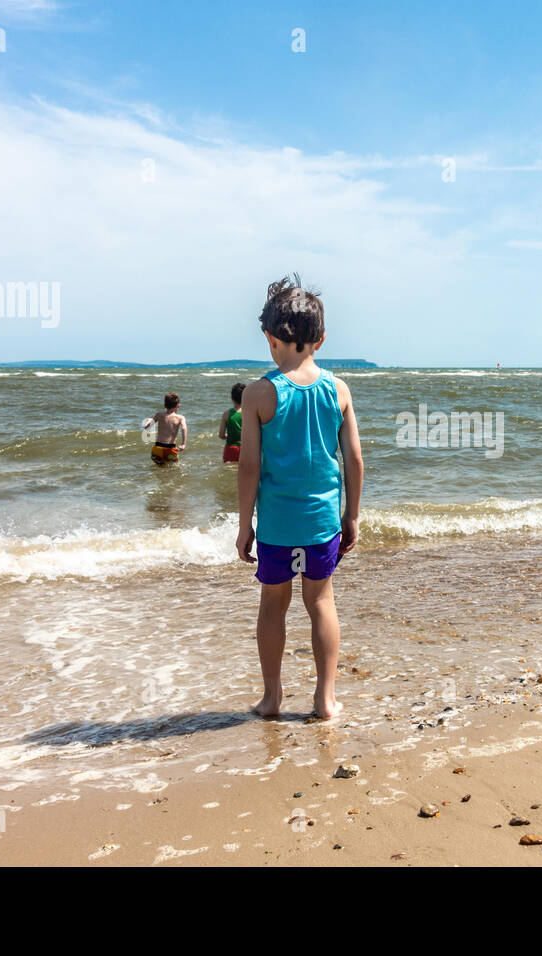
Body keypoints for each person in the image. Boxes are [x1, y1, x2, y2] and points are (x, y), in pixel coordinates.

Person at [237, 275, 363, 720]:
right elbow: (354, 461)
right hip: (322, 522)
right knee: (321, 602)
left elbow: (249, 467)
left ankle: (272, 698)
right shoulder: (338, 389)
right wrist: (352, 517)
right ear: (321, 340)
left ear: (270, 339)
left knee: (274, 605)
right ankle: (325, 699)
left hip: (276, 526)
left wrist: (243, 527)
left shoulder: (258, 393)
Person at [145, 392, 187, 464]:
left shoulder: (159, 415)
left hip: (157, 449)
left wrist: (148, 421)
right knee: (175, 468)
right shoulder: (180, 418)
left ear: (165, 405)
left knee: (159, 467)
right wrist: (183, 444)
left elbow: (147, 428)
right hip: (170, 449)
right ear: (178, 406)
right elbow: (184, 428)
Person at [219, 383, 246, 462]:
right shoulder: (249, 413)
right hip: (245, 449)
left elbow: (221, 435)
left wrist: (230, 435)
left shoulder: (226, 414)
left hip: (230, 449)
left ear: (231, 398)